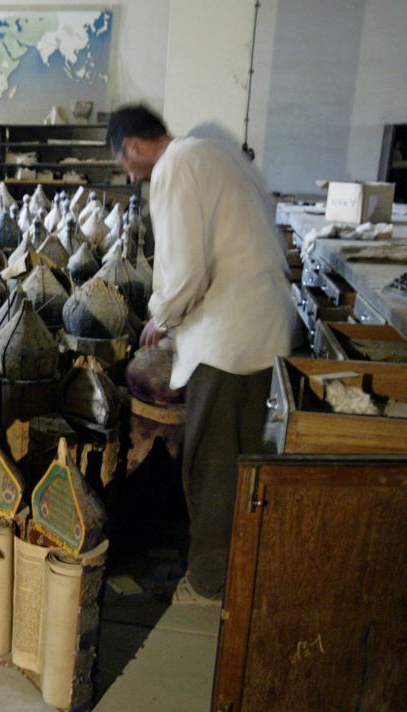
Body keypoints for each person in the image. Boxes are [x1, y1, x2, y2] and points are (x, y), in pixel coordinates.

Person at [107, 104, 297, 605]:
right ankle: (240, 571)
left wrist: (159, 318)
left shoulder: (175, 166)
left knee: (211, 464)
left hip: (230, 339)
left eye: (124, 164)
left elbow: (185, 268)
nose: (130, 175)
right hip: (263, 328)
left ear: (132, 147)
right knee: (242, 460)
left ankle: (210, 580)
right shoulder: (217, 153)